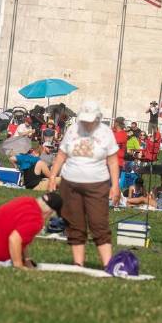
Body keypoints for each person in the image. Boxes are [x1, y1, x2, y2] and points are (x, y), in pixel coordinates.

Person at [48, 101, 120, 268]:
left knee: (98, 223)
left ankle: (108, 265)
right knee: (74, 223)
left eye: (90, 119)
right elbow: (61, 155)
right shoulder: (73, 130)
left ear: (97, 118)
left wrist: (115, 185)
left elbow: (113, 161)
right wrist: (53, 176)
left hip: (97, 184)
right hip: (70, 183)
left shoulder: (106, 132)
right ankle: (78, 263)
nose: (87, 123)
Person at [0, 194, 63, 267]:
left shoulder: (26, 200)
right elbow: (15, 239)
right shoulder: (36, 220)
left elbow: (22, 239)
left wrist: (27, 260)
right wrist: (18, 265)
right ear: (50, 211)